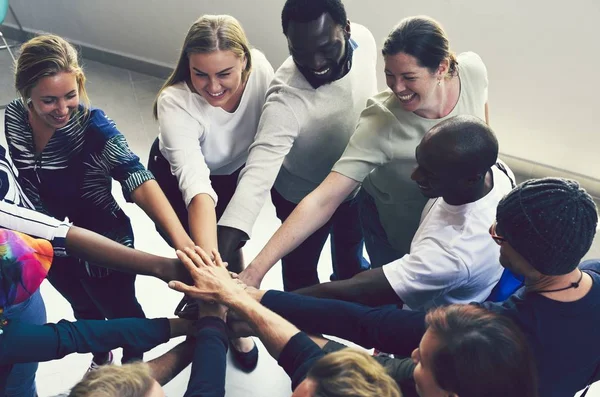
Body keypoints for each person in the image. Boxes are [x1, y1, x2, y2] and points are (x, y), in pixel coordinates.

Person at [243, 178, 599, 397]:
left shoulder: (489, 332)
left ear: (529, 254)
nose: (493, 236)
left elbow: (369, 325)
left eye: (500, 234)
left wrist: (257, 300)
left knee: (325, 368)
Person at [240, 15, 489, 288]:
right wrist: (255, 270)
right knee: (395, 297)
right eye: (390, 75)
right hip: (397, 225)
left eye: (409, 77)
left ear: (441, 68)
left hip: (457, 212)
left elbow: (483, 135)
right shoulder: (380, 123)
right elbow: (325, 198)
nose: (397, 88)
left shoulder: (472, 71)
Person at [3, 34, 194, 371]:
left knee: (122, 310)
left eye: (70, 95)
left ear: (80, 84)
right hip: (47, 246)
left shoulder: (94, 127)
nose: (61, 109)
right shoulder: (15, 117)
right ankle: (100, 356)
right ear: (26, 94)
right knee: (81, 305)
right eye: (48, 100)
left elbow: (138, 178)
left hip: (106, 247)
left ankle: (133, 361)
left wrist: (184, 246)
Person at [166, 246, 534, 397]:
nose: (412, 356)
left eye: (421, 359)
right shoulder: (450, 374)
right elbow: (318, 357)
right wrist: (244, 300)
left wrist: (214, 323)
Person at [217, 0, 377, 291]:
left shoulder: (365, 41)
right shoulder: (285, 100)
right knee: (300, 271)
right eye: (300, 52)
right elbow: (255, 178)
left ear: (347, 30)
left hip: (354, 185)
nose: (314, 63)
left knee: (351, 256)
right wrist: (216, 263)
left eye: (326, 48)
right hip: (300, 197)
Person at [278, 115, 510, 311]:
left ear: (471, 179)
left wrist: (265, 302)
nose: (415, 176)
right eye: (419, 161)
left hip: (429, 324)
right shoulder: (497, 171)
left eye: (432, 173)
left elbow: (360, 291)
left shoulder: (452, 251)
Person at [147, 14, 274, 370]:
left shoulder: (262, 69)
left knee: (233, 246)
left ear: (245, 63)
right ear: (186, 64)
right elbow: (196, 186)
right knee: (199, 255)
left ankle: (233, 320)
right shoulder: (175, 101)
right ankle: (216, 316)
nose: (213, 86)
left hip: (231, 172)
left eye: (224, 74)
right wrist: (211, 277)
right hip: (179, 181)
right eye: (200, 73)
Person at [0, 228, 197, 396]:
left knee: (20, 384)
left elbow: (80, 335)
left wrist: (183, 327)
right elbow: (76, 336)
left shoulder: (9, 338)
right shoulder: (7, 340)